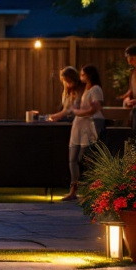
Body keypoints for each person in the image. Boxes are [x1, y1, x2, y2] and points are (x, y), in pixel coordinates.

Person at [49, 65, 102, 203]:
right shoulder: (73, 91)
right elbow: (68, 109)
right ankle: (73, 190)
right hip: (77, 126)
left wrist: (77, 112)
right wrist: (55, 116)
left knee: (83, 158)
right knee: (72, 158)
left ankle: (90, 189)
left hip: (87, 125)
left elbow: (88, 109)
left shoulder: (87, 90)